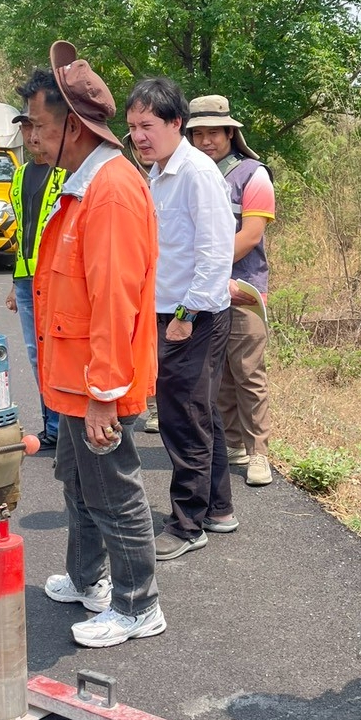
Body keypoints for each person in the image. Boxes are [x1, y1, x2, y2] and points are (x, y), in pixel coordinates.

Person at [24, 43, 163, 648]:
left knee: (113, 492)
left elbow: (114, 300)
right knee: (79, 485)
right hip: (73, 379)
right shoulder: (83, 183)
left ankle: (138, 606)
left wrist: (104, 391)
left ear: (73, 128)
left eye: (38, 125)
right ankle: (89, 580)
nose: (30, 136)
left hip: (95, 382)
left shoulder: (110, 190)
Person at [125, 78, 235, 559]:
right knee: (200, 411)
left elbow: (215, 253)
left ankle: (187, 524)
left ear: (176, 124)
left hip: (192, 314)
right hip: (172, 310)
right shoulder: (158, 172)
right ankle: (218, 509)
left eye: (147, 125)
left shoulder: (196, 173)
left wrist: (186, 315)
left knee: (182, 418)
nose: (139, 136)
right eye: (132, 127)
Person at [186, 95, 275, 488]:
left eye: (214, 133)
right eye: (198, 134)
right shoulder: (189, 175)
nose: (206, 141)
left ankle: (259, 453)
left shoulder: (254, 176)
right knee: (218, 374)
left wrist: (208, 269)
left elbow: (251, 235)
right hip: (202, 292)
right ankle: (234, 444)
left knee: (248, 373)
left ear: (230, 134)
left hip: (243, 291)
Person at [4, 113, 63, 446]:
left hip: (56, 278)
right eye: (25, 127)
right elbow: (22, 231)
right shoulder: (19, 175)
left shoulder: (66, 173)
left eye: (37, 126)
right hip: (27, 279)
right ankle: (52, 427)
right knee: (36, 354)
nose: (31, 134)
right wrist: (15, 283)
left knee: (59, 353)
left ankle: (64, 427)